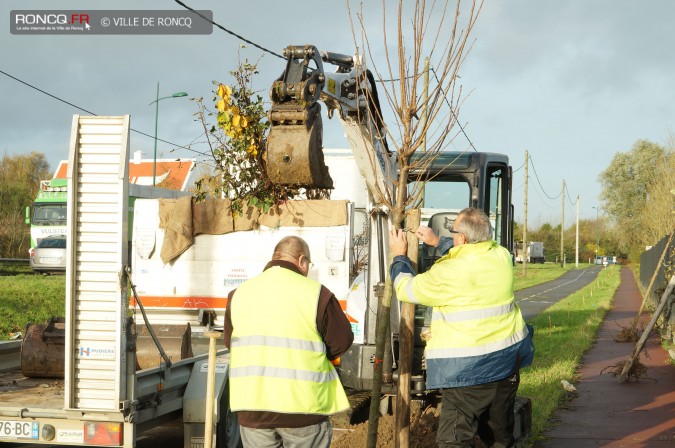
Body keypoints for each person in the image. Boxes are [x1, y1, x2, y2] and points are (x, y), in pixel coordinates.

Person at [389, 208, 534, 448]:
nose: (452, 234)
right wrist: (437, 242)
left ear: (463, 239)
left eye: (453, 231)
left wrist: (399, 257)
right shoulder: (501, 257)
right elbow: (472, 252)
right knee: (499, 437)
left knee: (454, 440)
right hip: (507, 363)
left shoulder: (447, 273)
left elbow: (406, 289)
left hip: (466, 371)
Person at [223, 235, 354, 448]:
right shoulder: (317, 294)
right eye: (309, 265)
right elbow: (342, 340)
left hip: (253, 408)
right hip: (303, 409)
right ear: (302, 261)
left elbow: (232, 343)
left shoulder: (238, 295)